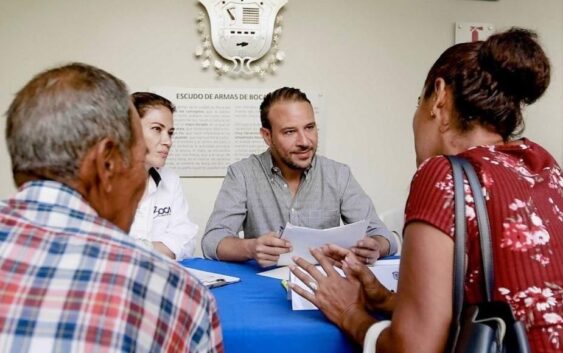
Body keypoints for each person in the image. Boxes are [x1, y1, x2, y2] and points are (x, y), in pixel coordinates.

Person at [289, 28, 563, 353]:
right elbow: (496, 297)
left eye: (420, 103)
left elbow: (415, 349)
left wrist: (349, 312)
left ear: (439, 97)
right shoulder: (543, 165)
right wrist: (388, 300)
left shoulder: (443, 175)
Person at [0, 63, 223, 352]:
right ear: (107, 162)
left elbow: (184, 234)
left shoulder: (169, 182)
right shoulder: (179, 295)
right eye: (137, 153)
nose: (165, 141)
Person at [201, 87, 397, 267]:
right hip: (264, 288)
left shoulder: (338, 174)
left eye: (309, 127)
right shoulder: (242, 173)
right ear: (267, 136)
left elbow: (382, 236)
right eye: (290, 132)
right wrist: (251, 248)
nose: (304, 141)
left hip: (326, 286)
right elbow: (212, 240)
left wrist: (375, 247)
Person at [129, 92, 198, 260]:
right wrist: (161, 247)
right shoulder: (100, 182)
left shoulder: (170, 179)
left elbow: (186, 239)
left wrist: (140, 248)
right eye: (157, 129)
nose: (168, 141)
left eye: (170, 132)